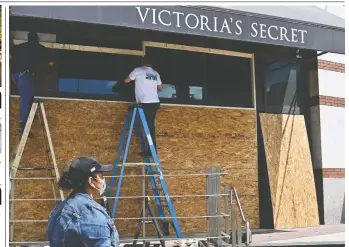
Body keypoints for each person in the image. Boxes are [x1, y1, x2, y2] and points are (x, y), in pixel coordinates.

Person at [47, 157, 119, 247]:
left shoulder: (57, 210)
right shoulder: (93, 214)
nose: (104, 180)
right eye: (101, 176)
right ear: (91, 181)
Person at [11, 31, 54, 135]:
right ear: (37, 39)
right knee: (26, 99)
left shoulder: (20, 47)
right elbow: (51, 63)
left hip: (15, 75)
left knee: (28, 96)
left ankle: (29, 114)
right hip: (25, 75)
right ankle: (23, 126)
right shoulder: (39, 48)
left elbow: (11, 55)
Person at [124, 55, 163, 157]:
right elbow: (160, 88)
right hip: (155, 103)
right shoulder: (155, 73)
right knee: (150, 126)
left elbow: (126, 80)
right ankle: (150, 150)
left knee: (147, 127)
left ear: (142, 62)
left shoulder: (138, 70)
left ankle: (150, 151)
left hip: (145, 103)